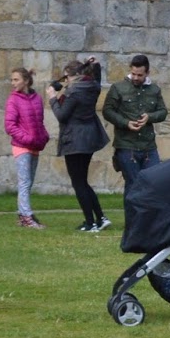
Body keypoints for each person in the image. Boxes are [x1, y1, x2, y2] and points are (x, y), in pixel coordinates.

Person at [49, 58, 109, 232]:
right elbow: (97, 78)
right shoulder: (93, 87)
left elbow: (62, 116)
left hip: (75, 139)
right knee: (82, 181)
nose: (65, 81)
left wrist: (52, 98)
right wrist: (96, 65)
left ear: (74, 75)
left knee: (78, 182)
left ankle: (90, 223)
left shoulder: (74, 92)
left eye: (66, 77)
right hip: (89, 137)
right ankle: (100, 218)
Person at [102, 53, 168, 187]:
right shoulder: (118, 88)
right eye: (133, 74)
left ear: (147, 73)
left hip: (149, 147)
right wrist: (126, 123)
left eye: (140, 75)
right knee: (133, 185)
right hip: (126, 146)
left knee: (153, 184)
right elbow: (107, 111)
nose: (136, 78)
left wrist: (149, 117)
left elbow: (163, 112)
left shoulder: (155, 90)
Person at [4, 67, 50, 228]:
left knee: (29, 182)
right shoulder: (13, 100)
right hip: (21, 146)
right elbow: (10, 126)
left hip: (35, 146)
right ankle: (27, 217)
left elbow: (39, 122)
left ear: (26, 81)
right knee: (24, 181)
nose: (13, 83)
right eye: (12, 79)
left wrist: (44, 136)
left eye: (16, 79)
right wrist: (27, 138)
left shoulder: (37, 98)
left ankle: (22, 214)